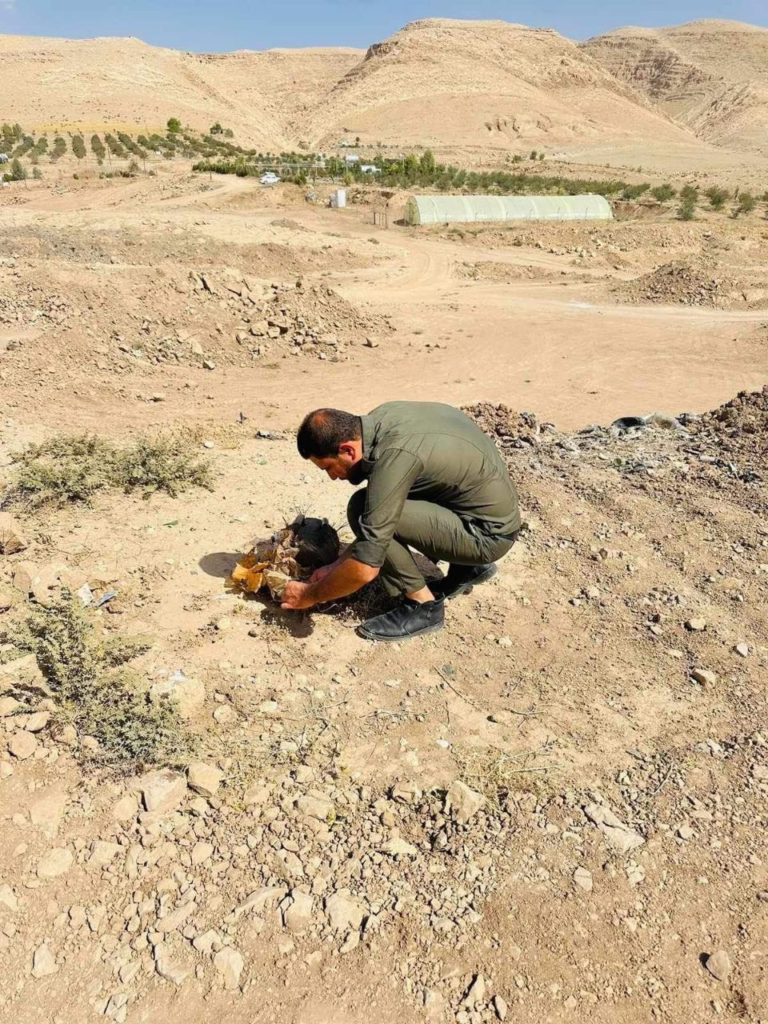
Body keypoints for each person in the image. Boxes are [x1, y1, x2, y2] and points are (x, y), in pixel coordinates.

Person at [281, 402, 521, 641]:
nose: (332, 477)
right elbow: (379, 522)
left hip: (488, 536)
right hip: (486, 514)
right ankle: (468, 567)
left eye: (329, 467)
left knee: (361, 509)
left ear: (348, 450)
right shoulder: (382, 418)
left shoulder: (392, 457)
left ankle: (423, 606)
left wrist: (309, 595)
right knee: (375, 508)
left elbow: (365, 568)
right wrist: (335, 567)